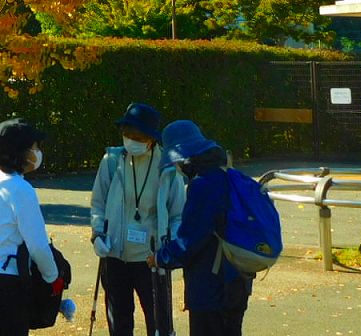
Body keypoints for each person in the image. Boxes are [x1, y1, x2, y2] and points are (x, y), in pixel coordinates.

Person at [149, 121, 252, 336]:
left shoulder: (203, 185)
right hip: (237, 281)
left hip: (211, 288)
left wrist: (160, 258)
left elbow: (189, 241)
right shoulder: (227, 175)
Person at [90, 102, 185, 336]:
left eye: (137, 135)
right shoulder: (111, 160)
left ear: (151, 139)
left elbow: (177, 215)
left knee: (159, 325)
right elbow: (98, 203)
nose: (130, 139)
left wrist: (168, 249)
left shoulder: (168, 168)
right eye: (127, 133)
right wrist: (97, 235)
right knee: (119, 325)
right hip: (114, 255)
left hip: (150, 260)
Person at [0, 118, 63, 336]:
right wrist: (53, 277)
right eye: (35, 147)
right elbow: (37, 245)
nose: (38, 152)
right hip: (4, 279)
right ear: (23, 152)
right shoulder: (21, 189)